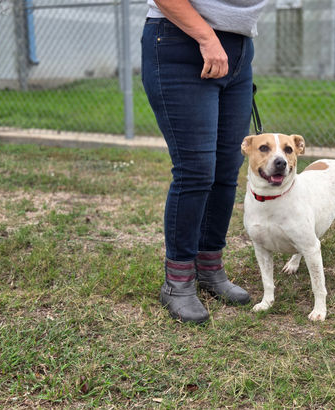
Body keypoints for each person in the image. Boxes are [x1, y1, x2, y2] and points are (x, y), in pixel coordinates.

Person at [141, 0, 269, 323]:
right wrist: (207, 38)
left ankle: (210, 268)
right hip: (184, 42)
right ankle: (178, 281)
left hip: (238, 51)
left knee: (227, 168)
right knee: (195, 170)